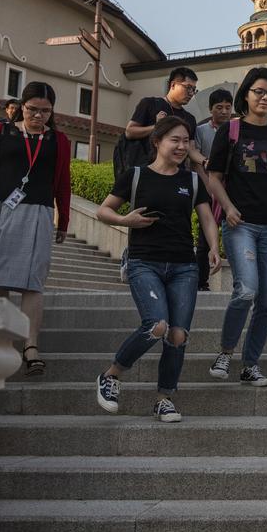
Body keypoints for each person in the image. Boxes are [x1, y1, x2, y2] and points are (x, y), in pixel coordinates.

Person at [95, 116, 221, 422]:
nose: (181, 146)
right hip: (144, 262)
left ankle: (165, 398)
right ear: (157, 142)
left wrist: (214, 248)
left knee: (178, 335)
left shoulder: (190, 180)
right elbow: (104, 211)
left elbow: (206, 217)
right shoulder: (135, 175)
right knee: (157, 325)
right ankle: (111, 376)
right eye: (174, 140)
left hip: (184, 267)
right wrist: (128, 221)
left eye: (186, 141)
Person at [205, 67, 267, 387]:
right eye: (258, 91)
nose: (264, 97)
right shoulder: (231, 131)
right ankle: (225, 352)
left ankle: (251, 364)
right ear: (246, 94)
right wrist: (229, 207)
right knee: (246, 289)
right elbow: (214, 177)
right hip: (241, 224)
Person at [0, 82, 71, 377]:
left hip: (38, 211)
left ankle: (31, 346)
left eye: (45, 111)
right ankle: (0, 340)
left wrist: (63, 219)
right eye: (32, 109)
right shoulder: (1, 131)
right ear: (21, 107)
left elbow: (63, 183)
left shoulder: (59, 140)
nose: (38, 116)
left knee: (33, 280)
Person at [122, 67, 204, 175]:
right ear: (173, 85)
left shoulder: (189, 118)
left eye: (194, 89)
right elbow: (129, 132)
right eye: (188, 87)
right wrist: (156, 127)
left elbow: (191, 149)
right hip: (147, 171)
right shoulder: (150, 104)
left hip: (176, 174)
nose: (191, 93)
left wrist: (206, 161)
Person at [194, 89, 234, 291]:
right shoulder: (201, 131)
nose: (224, 112)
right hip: (207, 190)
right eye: (219, 107)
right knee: (204, 238)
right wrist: (208, 186)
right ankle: (201, 282)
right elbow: (197, 162)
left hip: (230, 192)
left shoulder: (236, 131)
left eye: (228, 107)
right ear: (211, 109)